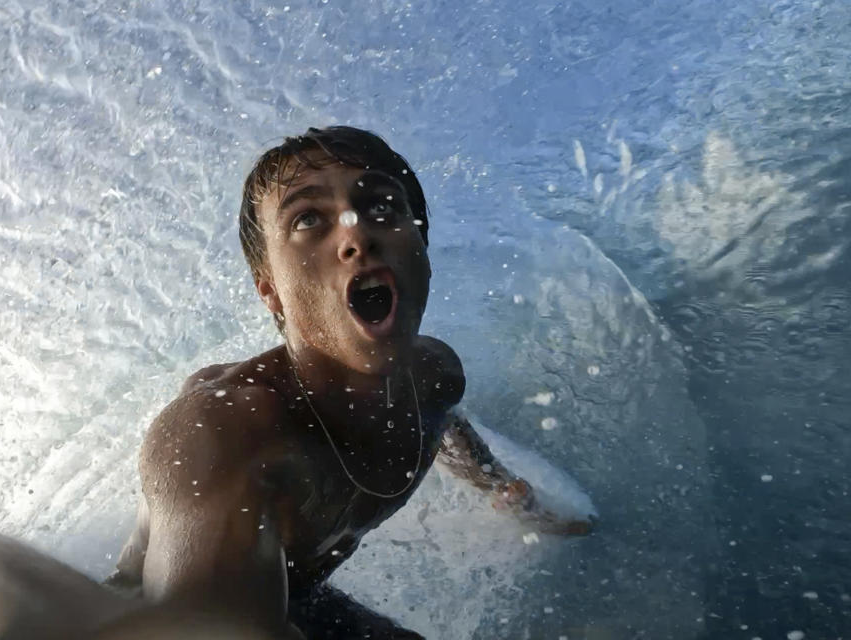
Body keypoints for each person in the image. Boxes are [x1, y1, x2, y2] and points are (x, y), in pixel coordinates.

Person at [105, 126, 595, 639]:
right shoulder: (225, 433)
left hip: (302, 599)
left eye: (382, 206)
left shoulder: (436, 376)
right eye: (308, 218)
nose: (357, 233)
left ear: (421, 250)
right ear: (269, 288)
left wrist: (509, 493)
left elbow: (446, 426)